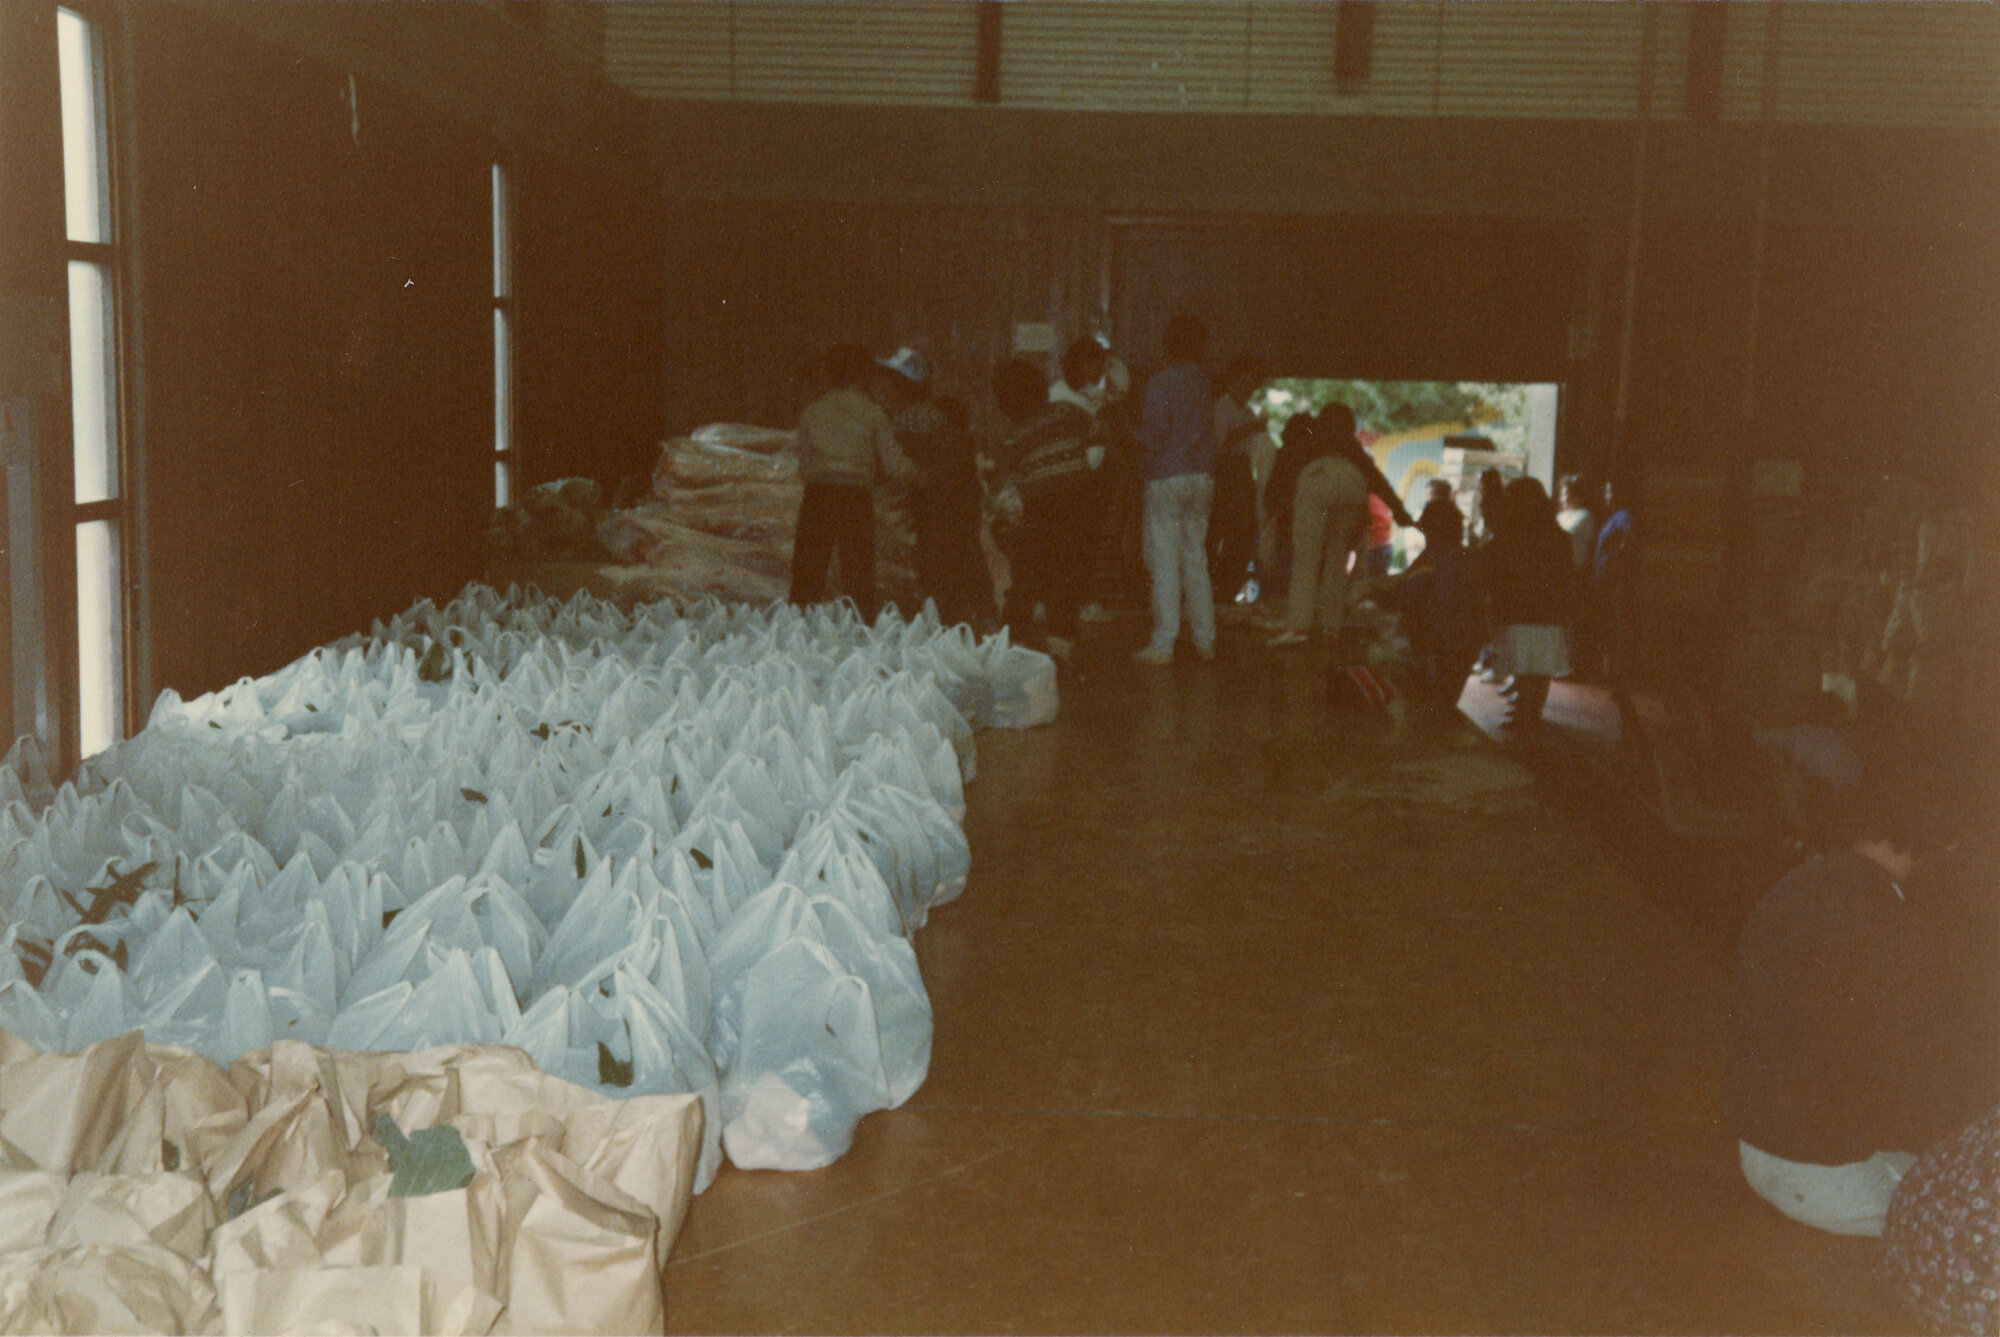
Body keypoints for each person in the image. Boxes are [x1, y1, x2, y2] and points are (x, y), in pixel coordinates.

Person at [1725, 788, 2000, 1239]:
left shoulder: (1807, 878)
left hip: (1764, 1143)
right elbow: (1915, 1083)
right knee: (1980, 1222)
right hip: (1817, 1170)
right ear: (1943, 848)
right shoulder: (1882, 920)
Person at [989, 342, 1107, 660]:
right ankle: (1061, 647)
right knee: (1066, 578)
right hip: (1080, 501)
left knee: (1028, 574)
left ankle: (1013, 643)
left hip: (1041, 507)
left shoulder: (1014, 435)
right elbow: (1098, 437)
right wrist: (1081, 467)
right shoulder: (1068, 411)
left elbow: (1007, 480)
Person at [788, 343, 919, 615]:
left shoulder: (812, 412)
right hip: (854, 495)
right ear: (863, 376)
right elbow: (894, 463)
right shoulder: (872, 412)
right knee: (858, 572)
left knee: (808, 570)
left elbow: (802, 462)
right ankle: (861, 633)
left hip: (818, 494)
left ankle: (797, 630)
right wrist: (920, 475)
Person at [1132, 315, 1218, 665]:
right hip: (1203, 477)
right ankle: (1205, 640)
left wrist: (1127, 432)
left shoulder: (1161, 381)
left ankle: (1163, 643)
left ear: (1167, 344)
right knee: (1195, 559)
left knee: (1165, 560)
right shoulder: (1204, 381)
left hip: (1168, 474)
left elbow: (1154, 435)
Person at [1264, 406, 1370, 649]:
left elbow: (1272, 496)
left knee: (1306, 562)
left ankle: (1299, 626)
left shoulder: (1295, 448)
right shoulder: (1350, 449)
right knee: (1336, 558)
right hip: (1352, 485)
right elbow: (1371, 482)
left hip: (1315, 485)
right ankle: (1330, 626)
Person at [1370, 498, 1487, 712]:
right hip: (1467, 642)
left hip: (1434, 641)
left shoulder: (1430, 558)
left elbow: (1404, 598)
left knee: (1426, 703)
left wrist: (1372, 592)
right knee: (1446, 701)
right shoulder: (1471, 557)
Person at [1480, 475, 1573, 736]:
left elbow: (1491, 563)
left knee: (1522, 665)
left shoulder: (1511, 532)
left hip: (1517, 609)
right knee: (1538, 669)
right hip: (1547, 611)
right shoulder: (1557, 534)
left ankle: (1524, 715)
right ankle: (1530, 714)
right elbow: (1566, 576)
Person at [910, 393, 997, 629]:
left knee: (941, 564)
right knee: (970, 559)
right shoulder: (963, 440)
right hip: (962, 511)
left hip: (942, 511)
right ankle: (984, 616)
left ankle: (950, 618)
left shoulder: (939, 440)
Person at [1207, 357, 1265, 608]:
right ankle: (1211, 587)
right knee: (1217, 533)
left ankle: (1228, 591)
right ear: (1232, 382)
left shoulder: (1248, 412)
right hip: (1224, 473)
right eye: (1243, 384)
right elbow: (1220, 445)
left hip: (1243, 474)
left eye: (1250, 387)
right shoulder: (1222, 407)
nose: (1246, 391)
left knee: (1242, 536)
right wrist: (1249, 428)